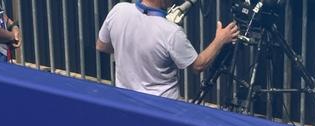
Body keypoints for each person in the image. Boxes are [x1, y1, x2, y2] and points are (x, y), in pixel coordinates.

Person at [96, 0, 239, 99]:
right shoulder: (171, 32)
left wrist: (130, 51)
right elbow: (198, 65)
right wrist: (220, 40)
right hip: (163, 108)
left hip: (126, 102)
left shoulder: (118, 10)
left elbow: (101, 45)